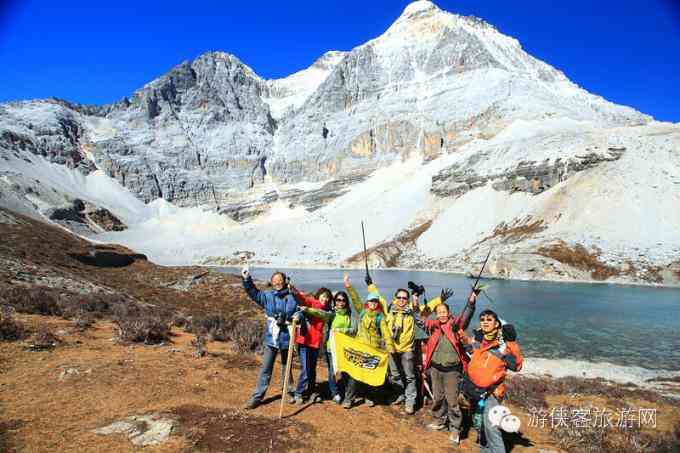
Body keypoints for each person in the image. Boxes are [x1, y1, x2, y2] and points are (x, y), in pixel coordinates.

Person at [414, 287, 477, 445]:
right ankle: (439, 420)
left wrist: (471, 300)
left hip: (452, 371)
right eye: (439, 312)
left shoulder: (456, 325)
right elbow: (418, 318)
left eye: (444, 312)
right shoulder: (433, 326)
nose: (441, 314)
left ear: (449, 313)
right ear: (436, 314)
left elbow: (466, 316)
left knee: (452, 400)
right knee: (438, 397)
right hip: (435, 368)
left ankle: (455, 428)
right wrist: (415, 302)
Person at [460, 310, 523, 453]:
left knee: (491, 426)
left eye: (489, 319)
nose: (485, 322)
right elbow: (469, 347)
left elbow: (517, 366)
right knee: (479, 424)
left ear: (496, 324)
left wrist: (512, 342)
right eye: (482, 319)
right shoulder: (480, 340)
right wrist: (458, 332)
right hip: (475, 391)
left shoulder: (503, 345)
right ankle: (485, 449)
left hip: (491, 393)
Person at [240, 267, 299, 410]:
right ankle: (257, 397)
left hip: (287, 337)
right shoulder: (267, 296)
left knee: (287, 367)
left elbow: (300, 310)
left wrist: (298, 317)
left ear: (285, 281)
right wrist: (247, 280)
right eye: (275, 281)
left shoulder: (293, 296)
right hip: (271, 337)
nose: (278, 283)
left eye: (280, 280)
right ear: (272, 283)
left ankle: (290, 392)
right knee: (266, 368)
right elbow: (253, 293)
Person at [342, 272, 394, 409]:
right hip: (360, 347)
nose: (373, 303)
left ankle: (370, 397)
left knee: (371, 374)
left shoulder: (380, 318)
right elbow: (355, 299)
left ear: (377, 304)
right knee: (355, 374)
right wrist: (348, 286)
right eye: (371, 301)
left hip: (373, 349)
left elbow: (386, 333)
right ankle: (349, 398)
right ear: (368, 302)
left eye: (375, 301)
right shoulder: (362, 312)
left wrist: (390, 347)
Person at [298, 290, 356, 404]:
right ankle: (335, 393)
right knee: (332, 372)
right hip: (331, 347)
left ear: (346, 302)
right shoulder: (332, 314)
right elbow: (321, 313)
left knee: (346, 372)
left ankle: (348, 396)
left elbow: (354, 330)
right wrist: (308, 309)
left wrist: (342, 331)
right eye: (338, 300)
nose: (341, 302)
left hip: (345, 348)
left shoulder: (350, 315)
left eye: (343, 300)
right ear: (335, 301)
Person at [376, 286, 419, 414]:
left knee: (410, 376)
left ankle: (410, 401)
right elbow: (379, 297)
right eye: (399, 297)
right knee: (394, 375)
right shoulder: (389, 309)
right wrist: (370, 284)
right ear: (395, 298)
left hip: (407, 349)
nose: (401, 300)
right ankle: (400, 394)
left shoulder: (412, 311)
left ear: (408, 300)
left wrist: (440, 299)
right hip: (392, 348)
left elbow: (427, 309)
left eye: (404, 298)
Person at [288, 286, 332, 404]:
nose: (325, 299)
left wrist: (306, 310)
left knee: (312, 369)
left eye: (328, 297)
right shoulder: (312, 302)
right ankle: (299, 393)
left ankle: (311, 391)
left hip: (315, 343)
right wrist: (295, 291)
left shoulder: (327, 311)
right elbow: (303, 299)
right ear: (318, 296)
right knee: (306, 370)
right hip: (304, 341)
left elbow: (321, 314)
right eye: (323, 296)